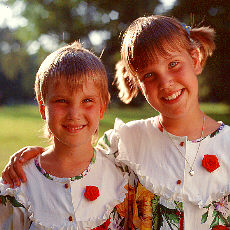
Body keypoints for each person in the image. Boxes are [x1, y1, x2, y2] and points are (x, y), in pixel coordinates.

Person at [2, 15, 230, 229]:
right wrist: (35, 159)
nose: (166, 82)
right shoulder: (124, 141)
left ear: (196, 59)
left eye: (173, 64)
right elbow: (76, 156)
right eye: (150, 75)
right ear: (138, 83)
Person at [0, 41, 130, 229]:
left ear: (102, 108)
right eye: (62, 100)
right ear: (43, 108)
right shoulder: (20, 183)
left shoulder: (119, 174)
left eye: (87, 100)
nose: (74, 114)